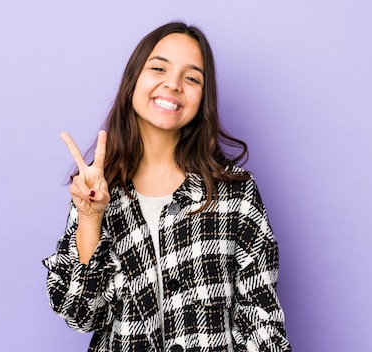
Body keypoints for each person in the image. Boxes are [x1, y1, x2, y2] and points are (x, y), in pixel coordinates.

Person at [43, 22, 291, 352]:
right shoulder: (99, 192)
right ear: (134, 79)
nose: (173, 84)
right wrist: (90, 219)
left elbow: (262, 323)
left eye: (191, 78)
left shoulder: (236, 194)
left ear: (203, 98)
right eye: (159, 68)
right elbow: (80, 315)